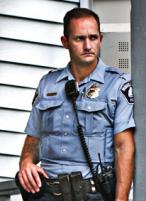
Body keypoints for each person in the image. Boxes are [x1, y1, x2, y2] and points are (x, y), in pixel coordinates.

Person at [17, 7, 135, 201]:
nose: (88, 45)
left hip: (92, 193)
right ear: (65, 42)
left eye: (93, 38)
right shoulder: (47, 84)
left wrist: (120, 200)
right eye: (79, 39)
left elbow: (124, 147)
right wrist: (26, 162)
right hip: (48, 193)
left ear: (101, 39)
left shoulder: (117, 84)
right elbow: (34, 137)